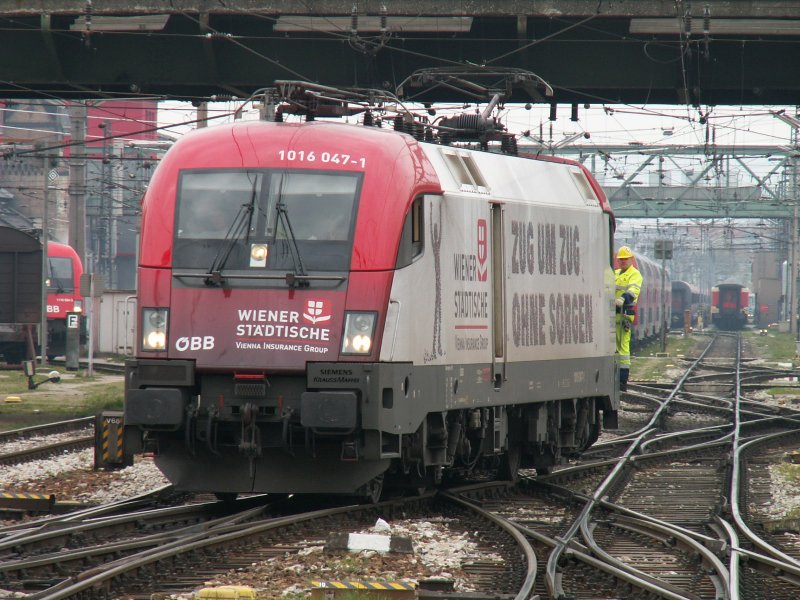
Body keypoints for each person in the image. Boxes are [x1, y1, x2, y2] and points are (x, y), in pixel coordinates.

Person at [615, 246, 643, 391]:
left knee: (623, 349)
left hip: (624, 314)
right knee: (615, 347)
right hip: (613, 314)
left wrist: (623, 298)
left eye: (625, 259)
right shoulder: (616, 273)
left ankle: (622, 381)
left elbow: (633, 291)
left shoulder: (635, 274)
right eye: (621, 259)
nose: (623, 261)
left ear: (630, 259)